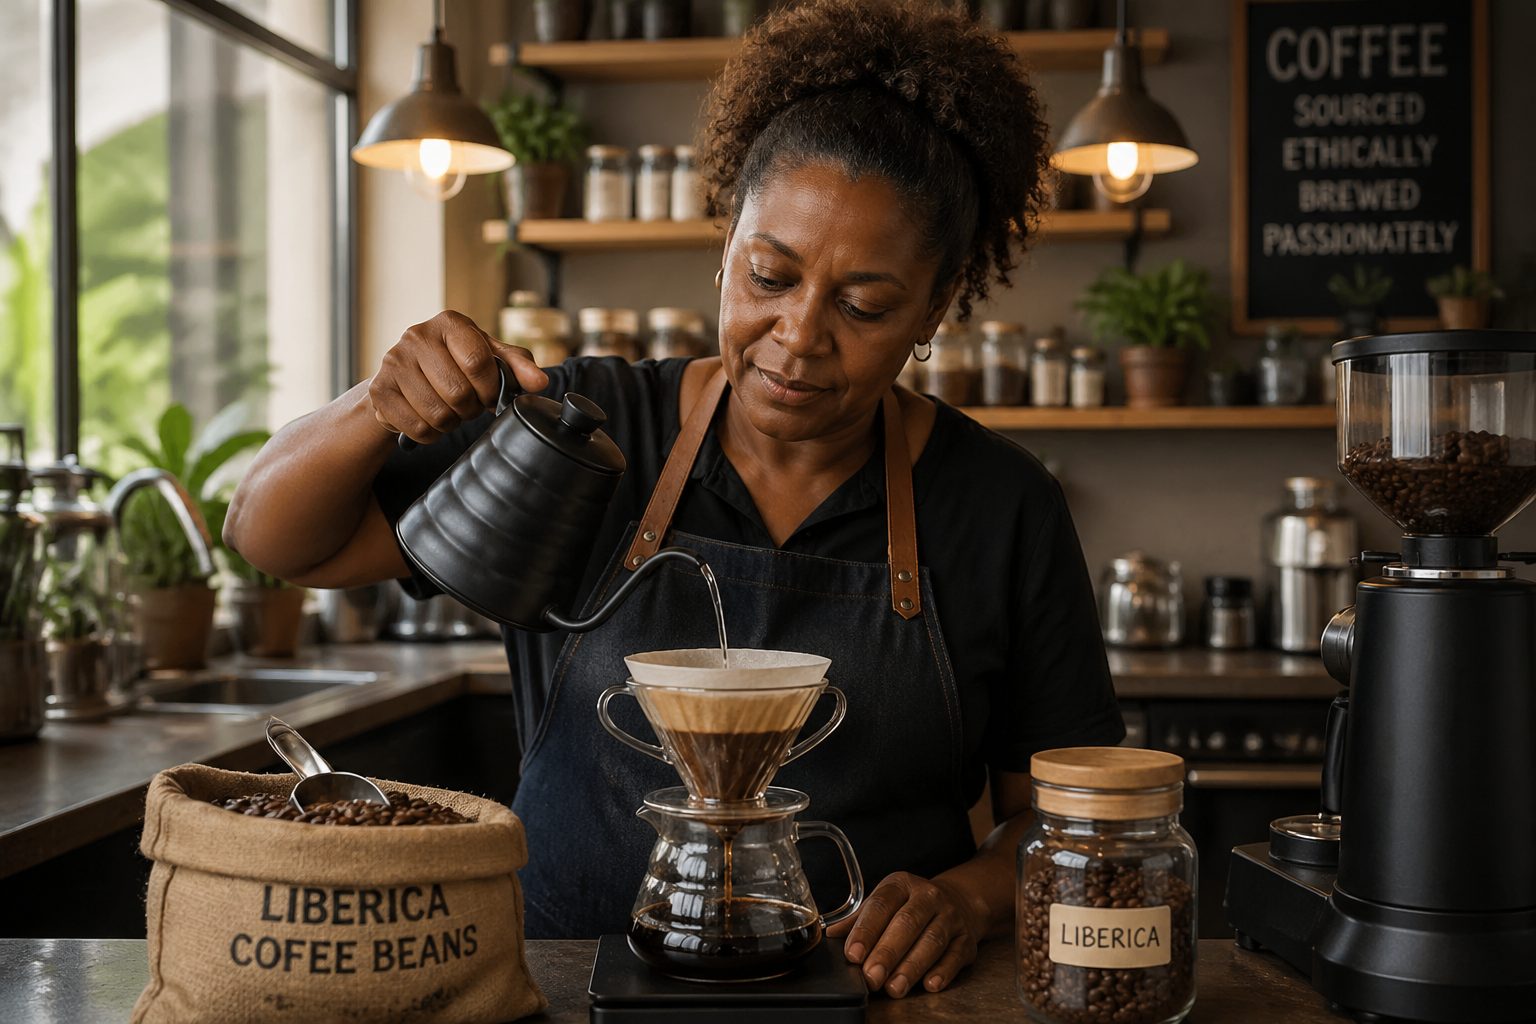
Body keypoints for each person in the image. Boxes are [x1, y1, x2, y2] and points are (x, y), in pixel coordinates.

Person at [225, 0, 1122, 999]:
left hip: (868, 1000)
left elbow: (1068, 816)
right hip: (559, 985)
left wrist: (969, 896)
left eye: (862, 305)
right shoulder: (582, 432)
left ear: (935, 306)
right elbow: (275, 540)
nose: (799, 335)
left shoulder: (1000, 505)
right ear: (725, 245)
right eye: (769, 276)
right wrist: (375, 402)